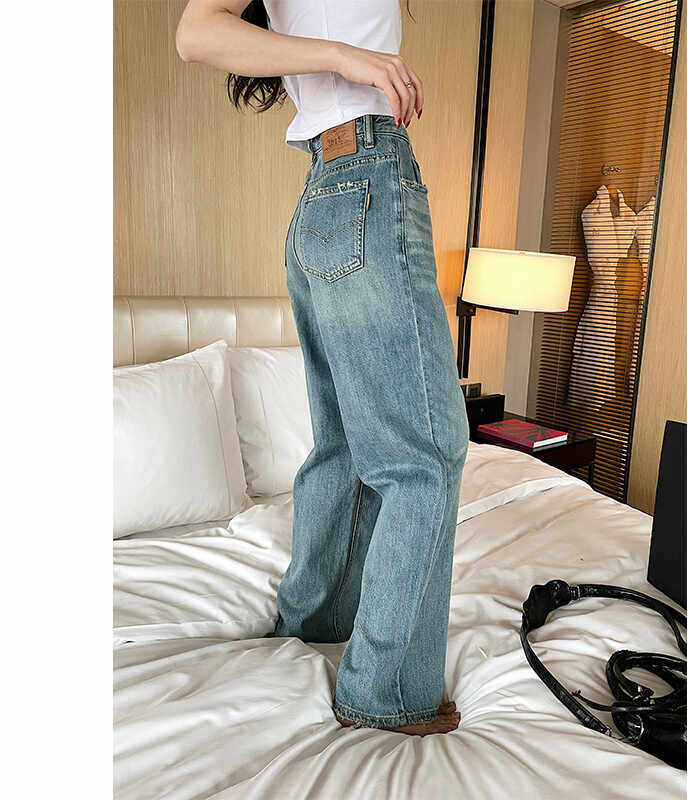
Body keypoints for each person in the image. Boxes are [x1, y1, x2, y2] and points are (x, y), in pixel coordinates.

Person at [176, 0, 469, 736]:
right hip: (367, 176)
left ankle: (318, 620)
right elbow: (196, 31)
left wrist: (340, 55)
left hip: (331, 190)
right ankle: (387, 694)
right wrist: (343, 56)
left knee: (346, 445)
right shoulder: (332, 62)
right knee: (425, 457)